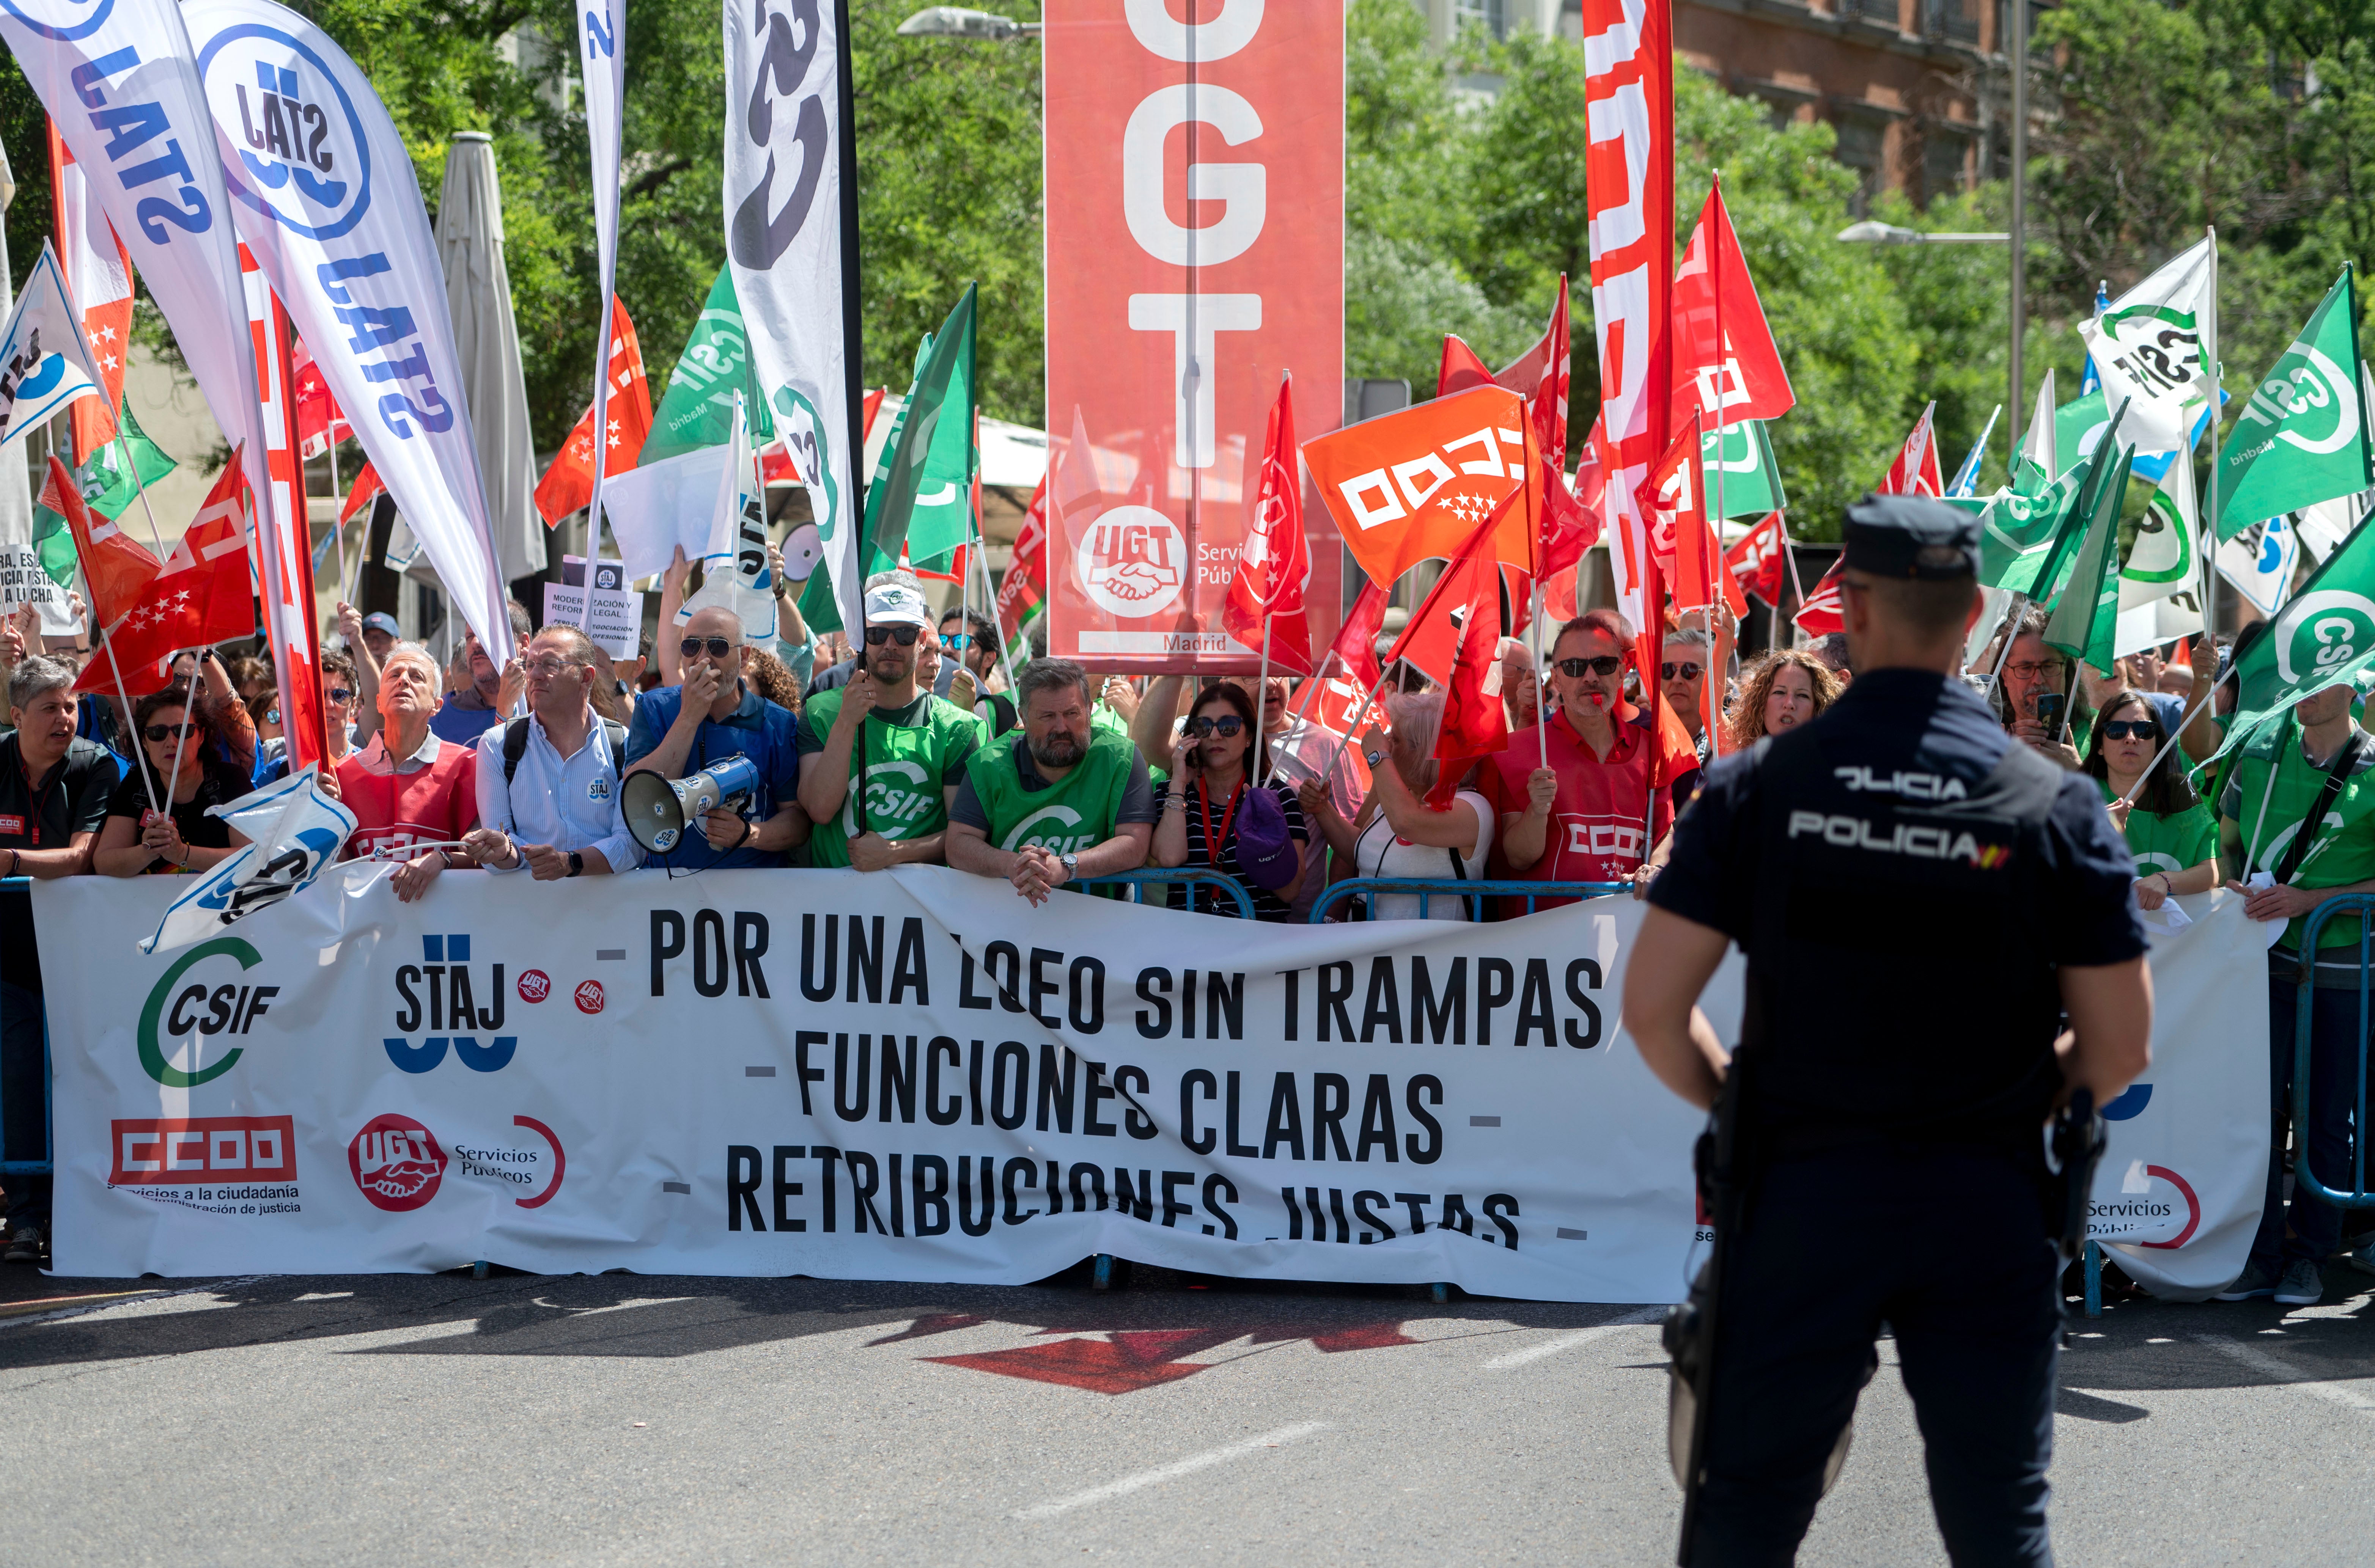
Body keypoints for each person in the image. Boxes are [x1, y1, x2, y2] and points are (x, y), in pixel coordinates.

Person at [1623, 492, 2151, 1566]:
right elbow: (2119, 1044)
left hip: (1801, 1194)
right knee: (2001, 1524)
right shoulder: (2051, 802)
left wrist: (1739, 1100)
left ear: (1850, 607)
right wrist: (2021, 1097)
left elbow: (1650, 1006)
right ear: (1970, 617)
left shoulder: (1757, 784)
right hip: (1985, 1197)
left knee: (1744, 1512)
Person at [2213, 676, 2375, 1306]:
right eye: (2300, 676)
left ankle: (2310, 1256)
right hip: (2262, 961)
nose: (2306, 689)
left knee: (2325, 1117)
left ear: (2357, 686)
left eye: (2324, 677)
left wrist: (2312, 900)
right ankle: (2258, 1256)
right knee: (2259, 1115)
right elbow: (2223, 841)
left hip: (2342, 968)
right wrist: (2234, 884)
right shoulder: (2259, 750)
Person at [0, 657, 118, 1263]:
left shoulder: (95, 763)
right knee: (19, 1079)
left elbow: (81, 858)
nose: (66, 718)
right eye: (50, 707)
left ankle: (88, 1208)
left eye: (72, 706)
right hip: (11, 959)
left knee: (84, 1077)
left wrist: (10, 863)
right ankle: (25, 1219)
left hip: (78, 958)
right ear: (17, 715)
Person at [1480, 609, 1688, 906]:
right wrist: (1537, 812)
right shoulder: (1517, 751)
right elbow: (1518, 857)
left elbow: (1664, 834)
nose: (1591, 677)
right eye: (1575, 666)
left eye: (1602, 664)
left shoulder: (1652, 748)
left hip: (1627, 938)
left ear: (1620, 673)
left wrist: (1657, 867)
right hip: (1544, 945)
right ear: (1557, 679)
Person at [798, 575, 981, 871]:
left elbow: (966, 836)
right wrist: (846, 721)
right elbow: (819, 809)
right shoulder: (821, 712)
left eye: (905, 635)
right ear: (860, 638)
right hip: (834, 911)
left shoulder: (956, 729)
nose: (891, 645)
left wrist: (895, 853)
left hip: (919, 910)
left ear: (922, 641)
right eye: (878, 634)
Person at [948, 658, 1157, 904]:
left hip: (1099, 928)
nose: (1061, 727)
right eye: (1047, 716)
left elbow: (1136, 843)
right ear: (1023, 717)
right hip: (1003, 925)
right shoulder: (988, 764)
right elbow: (958, 845)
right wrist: (1010, 864)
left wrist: (1066, 867)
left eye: (1071, 713)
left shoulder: (1121, 757)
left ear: (1089, 710)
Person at [623, 605, 807, 870]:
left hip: (754, 894)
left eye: (718, 647)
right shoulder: (654, 708)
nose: (703, 658)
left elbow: (798, 821)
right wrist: (688, 717)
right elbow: (638, 799)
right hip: (671, 893)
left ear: (744, 657)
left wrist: (750, 834)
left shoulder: (778, 722)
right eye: (691, 646)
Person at [460, 624, 641, 882]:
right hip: (531, 917)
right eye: (530, 664)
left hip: (608, 916)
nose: (535, 674)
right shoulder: (497, 745)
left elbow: (632, 846)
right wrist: (503, 851)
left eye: (550, 664)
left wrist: (569, 863)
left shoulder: (623, 743)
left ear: (586, 677)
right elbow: (502, 851)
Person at [1300, 691, 1494, 921]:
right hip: (1371, 950)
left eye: (1396, 739)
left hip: (1430, 954)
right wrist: (1323, 809)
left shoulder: (1473, 808)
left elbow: (1406, 823)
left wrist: (1378, 756)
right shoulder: (1401, 801)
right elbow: (1360, 849)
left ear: (1425, 752)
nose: (1388, 744)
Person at [334, 641, 481, 902]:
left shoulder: (467, 766)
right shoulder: (342, 776)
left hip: (439, 935)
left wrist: (442, 860)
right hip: (365, 935)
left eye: (417, 677)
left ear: (437, 705)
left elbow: (483, 857)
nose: (403, 681)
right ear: (378, 702)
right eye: (394, 675)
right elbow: (336, 869)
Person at [1153, 679, 1308, 921]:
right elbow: (1170, 858)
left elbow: (1291, 892)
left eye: (1228, 726)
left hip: (1258, 946)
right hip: (1189, 945)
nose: (1215, 735)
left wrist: (1267, 844)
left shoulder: (1278, 796)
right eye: (1203, 726)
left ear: (1249, 737)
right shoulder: (1170, 792)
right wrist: (1178, 784)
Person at [92, 690, 252, 876]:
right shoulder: (137, 784)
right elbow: (103, 862)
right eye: (157, 733)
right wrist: (146, 852)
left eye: (182, 731)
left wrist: (183, 853)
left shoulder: (231, 780)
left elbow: (252, 857)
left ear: (201, 736)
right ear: (144, 742)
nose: (171, 742)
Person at [2085, 690, 2217, 911]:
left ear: (2158, 745)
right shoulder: (2077, 795)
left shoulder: (2179, 789)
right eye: (2116, 730)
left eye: (2143, 730)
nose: (2130, 738)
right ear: (2099, 745)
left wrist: (2165, 880)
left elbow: (2210, 873)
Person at [1991, 610, 2086, 768]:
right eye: (2025, 668)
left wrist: (2077, 771)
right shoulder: (1985, 735)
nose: (2038, 680)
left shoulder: (2103, 733)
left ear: (2066, 670)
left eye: (2049, 666)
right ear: (2005, 674)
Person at [427, 602, 532, 746]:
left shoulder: (548, 710)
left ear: (524, 644)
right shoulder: (438, 717)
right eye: (470, 637)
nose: (476, 643)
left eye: (487, 633)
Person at [1723, 649, 1841, 751]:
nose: (1789, 704)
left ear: (1818, 706)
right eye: (1779, 692)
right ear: (1761, 704)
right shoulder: (1744, 770)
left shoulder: (1832, 771)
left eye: (1802, 695)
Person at [1662, 628, 1714, 764]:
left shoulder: (1726, 744)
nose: (1676, 680)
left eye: (1690, 670)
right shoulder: (1642, 739)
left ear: (1711, 679)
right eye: (1668, 670)